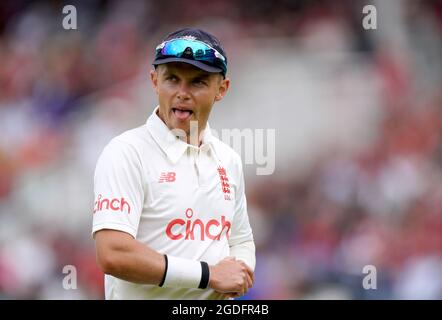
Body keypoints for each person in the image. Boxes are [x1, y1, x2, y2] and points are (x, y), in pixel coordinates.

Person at [92, 27, 256, 299]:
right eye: (172, 79)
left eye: (198, 82)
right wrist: (209, 275)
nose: (182, 92)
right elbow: (113, 253)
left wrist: (240, 270)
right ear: (154, 81)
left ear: (221, 89)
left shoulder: (228, 160)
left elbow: (240, 240)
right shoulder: (126, 152)